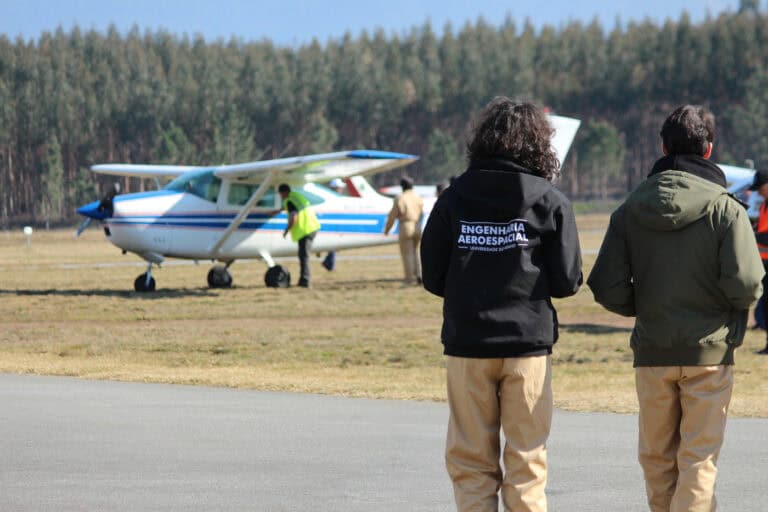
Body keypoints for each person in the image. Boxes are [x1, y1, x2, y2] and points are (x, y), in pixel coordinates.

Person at [587, 105, 764, 512]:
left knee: (657, 460)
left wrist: (648, 306)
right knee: (698, 460)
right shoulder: (726, 209)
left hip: (653, 351)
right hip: (709, 354)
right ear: (709, 149)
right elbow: (748, 285)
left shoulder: (630, 208)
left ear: (663, 148)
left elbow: (606, 286)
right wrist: (724, 311)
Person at [421, 98, 582, 512]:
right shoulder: (550, 201)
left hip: (468, 345)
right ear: (539, 145)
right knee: (527, 460)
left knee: (471, 462)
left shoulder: (453, 198)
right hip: (527, 347)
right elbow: (567, 281)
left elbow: (432, 276)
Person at [277, 183, 321, 288]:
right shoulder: (295, 197)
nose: (280, 196)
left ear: (284, 192)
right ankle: (304, 280)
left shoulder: (290, 201)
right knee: (303, 256)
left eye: (280, 194)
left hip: (305, 230)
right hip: (311, 227)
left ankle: (305, 281)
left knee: (304, 256)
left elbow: (293, 216)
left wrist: (286, 230)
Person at [384, 176, 424, 285]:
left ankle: (409, 279)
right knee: (415, 252)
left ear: (402, 186)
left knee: (407, 253)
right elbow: (421, 212)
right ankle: (419, 274)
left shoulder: (400, 197)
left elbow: (393, 215)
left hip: (406, 226)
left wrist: (387, 229)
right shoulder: (417, 197)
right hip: (417, 225)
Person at [749, 168, 768, 354]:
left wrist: (752, 235)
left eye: (761, 188)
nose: (759, 193)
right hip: (764, 263)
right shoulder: (764, 205)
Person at [322, 179, 346, 271]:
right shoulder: (332, 199)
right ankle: (330, 264)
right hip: (332, 226)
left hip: (335, 225)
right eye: (340, 188)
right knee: (334, 245)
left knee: (335, 246)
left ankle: (328, 263)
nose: (341, 190)